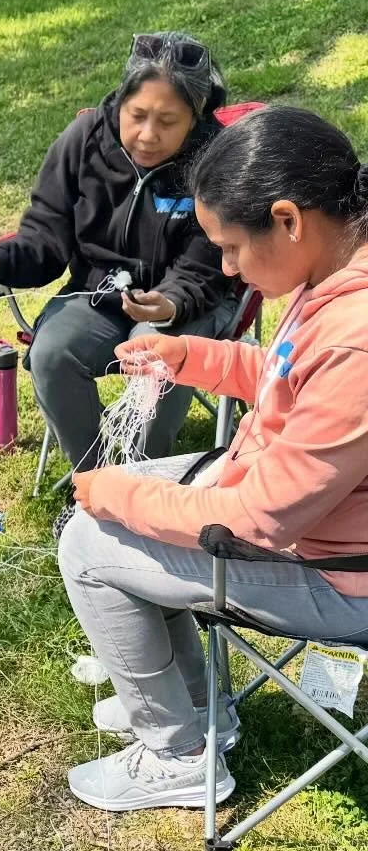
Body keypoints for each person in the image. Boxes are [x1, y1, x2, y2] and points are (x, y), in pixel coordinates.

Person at [58, 106, 368, 811]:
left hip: (341, 577)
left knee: (89, 540)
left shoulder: (357, 333)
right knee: (127, 504)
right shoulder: (335, 269)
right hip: (306, 519)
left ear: (287, 219)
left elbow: (259, 518)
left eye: (230, 248)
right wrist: (188, 355)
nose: (226, 267)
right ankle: (198, 711)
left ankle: (176, 753)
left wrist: (119, 499)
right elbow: (285, 377)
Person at [0, 32, 239, 473]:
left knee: (154, 352)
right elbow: (45, 235)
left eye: (168, 121)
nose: (147, 134)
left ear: (195, 119)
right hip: (98, 294)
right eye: (136, 114)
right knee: (52, 353)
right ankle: (95, 481)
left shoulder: (217, 160)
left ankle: (148, 480)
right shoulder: (84, 140)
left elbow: (210, 261)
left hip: (189, 303)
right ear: (121, 100)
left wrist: (170, 302)